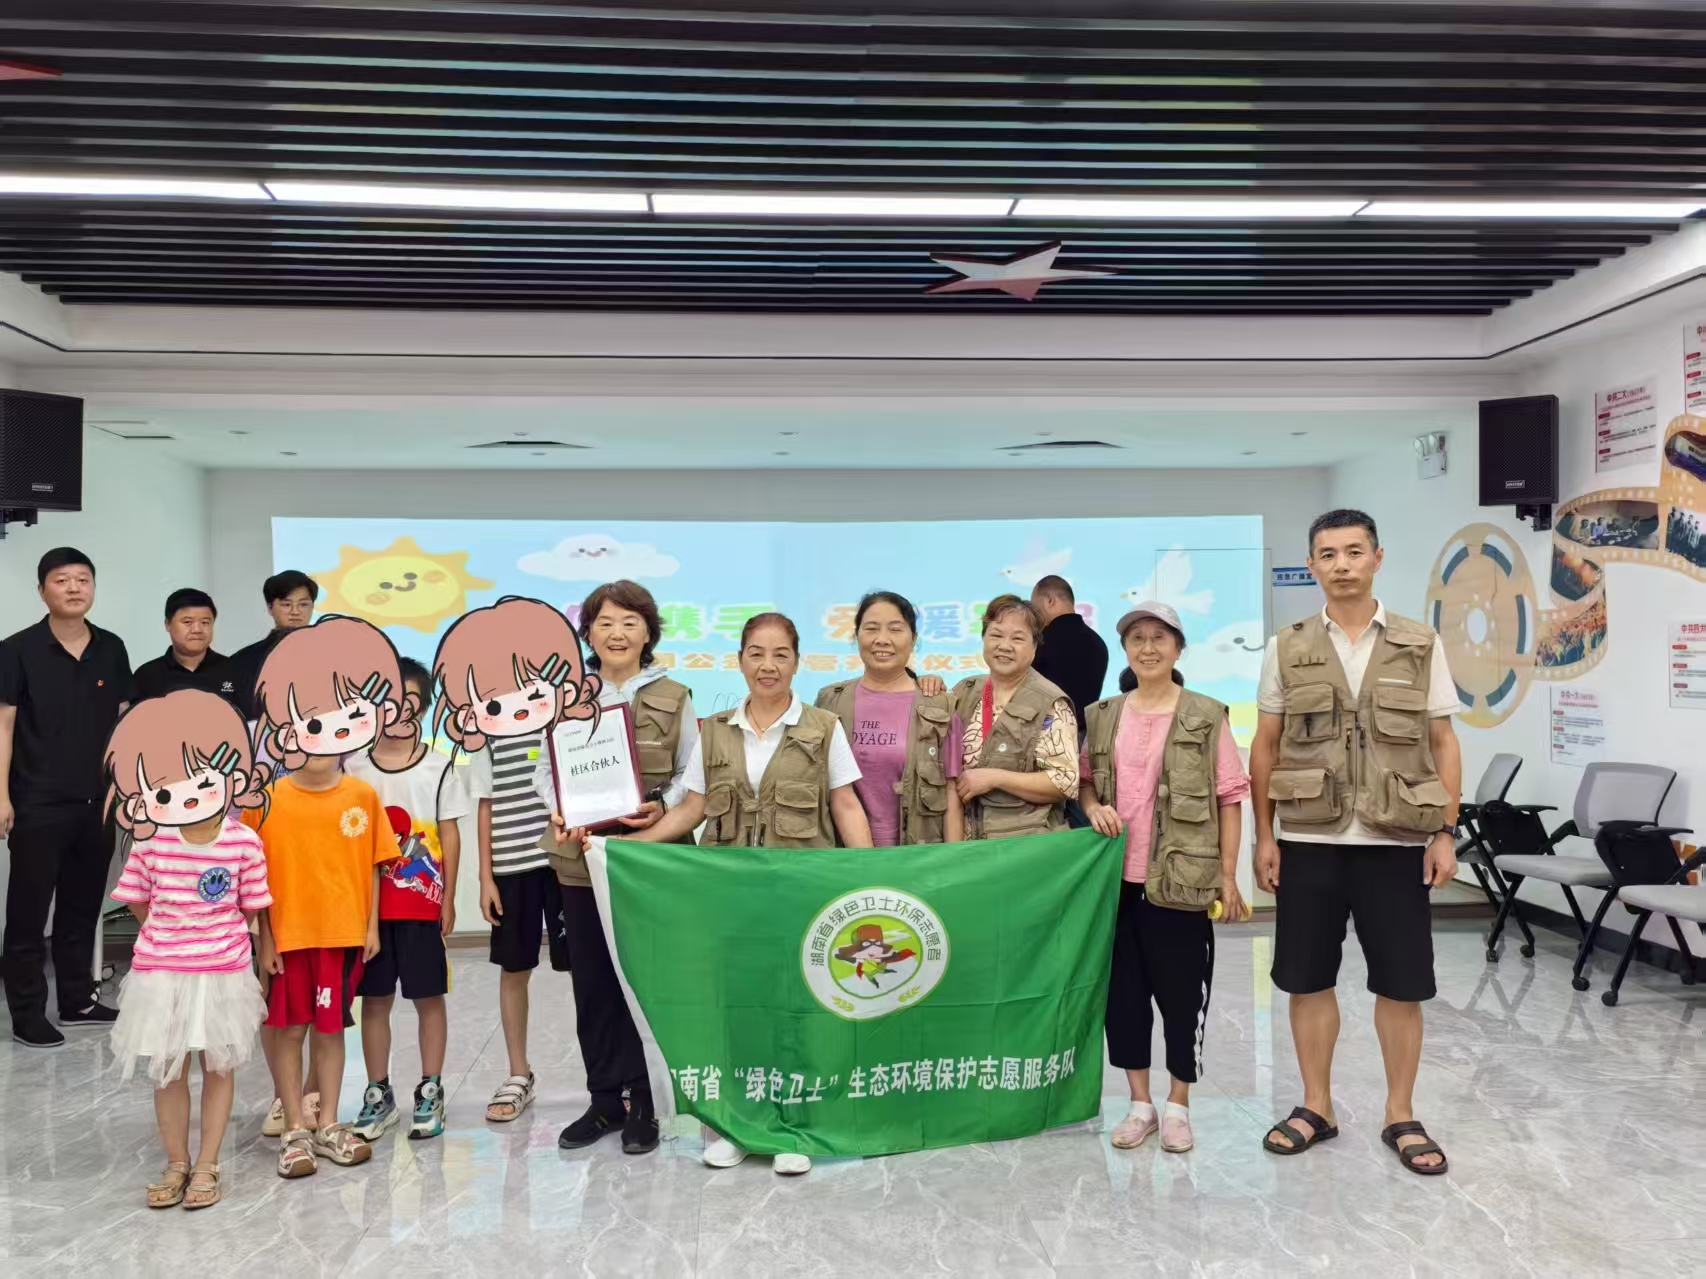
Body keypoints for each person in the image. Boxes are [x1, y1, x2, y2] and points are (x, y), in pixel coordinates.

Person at [1250, 509, 1461, 1177]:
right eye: (1327, 554)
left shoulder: (1420, 642)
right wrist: (1264, 835)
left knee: (1402, 983)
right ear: (1312, 564)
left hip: (1396, 841)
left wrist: (1445, 831)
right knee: (1306, 978)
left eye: (1353, 551)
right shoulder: (1285, 646)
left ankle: (1401, 1112)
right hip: (1308, 838)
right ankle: (1317, 1105)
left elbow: (1443, 741)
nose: (1341, 564)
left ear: (1376, 557)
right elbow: (1266, 745)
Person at [628, 611, 872, 1176]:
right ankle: (738, 1125)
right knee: (737, 1010)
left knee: (800, 1011)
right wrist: (627, 847)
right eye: (757, 654)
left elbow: (845, 804)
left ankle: (796, 1126)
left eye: (781, 654)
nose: (768, 665)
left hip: (802, 895)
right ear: (739, 660)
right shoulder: (715, 729)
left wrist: (867, 875)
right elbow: (691, 808)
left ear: (797, 662)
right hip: (730, 898)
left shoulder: (823, 727)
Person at [1078, 602, 1250, 1156]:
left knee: (1181, 999)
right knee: (1123, 1000)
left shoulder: (1206, 714)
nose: (1147, 648)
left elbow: (1230, 797)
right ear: (1125, 649)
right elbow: (1083, 781)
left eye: (1159, 638)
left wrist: (1228, 876)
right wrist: (1092, 805)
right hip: (1114, 883)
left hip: (1181, 881)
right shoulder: (1102, 714)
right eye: (1137, 639)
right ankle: (1140, 1105)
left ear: (1178, 647)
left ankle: (1178, 1106)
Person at [536, 580, 697, 1156]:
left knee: (643, 979)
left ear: (649, 631)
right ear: (589, 632)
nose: (617, 633)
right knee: (593, 983)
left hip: (648, 860)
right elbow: (545, 771)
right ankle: (604, 1099)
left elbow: (691, 773)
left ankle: (646, 1103)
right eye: (604, 622)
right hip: (580, 860)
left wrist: (663, 804)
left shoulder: (675, 695)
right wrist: (561, 808)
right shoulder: (566, 698)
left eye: (630, 622)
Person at [246, 616, 407, 1178]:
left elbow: (375, 868)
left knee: (333, 1030)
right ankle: (294, 1125)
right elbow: (253, 881)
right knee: (289, 1030)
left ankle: (328, 1122)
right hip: (288, 939)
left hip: (341, 936)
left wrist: (370, 927)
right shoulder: (266, 801)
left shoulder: (362, 794)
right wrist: (265, 939)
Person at [433, 596, 600, 1127]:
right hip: (511, 867)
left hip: (567, 864)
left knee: (585, 970)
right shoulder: (486, 736)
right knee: (514, 969)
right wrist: (485, 877)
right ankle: (518, 1072)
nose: (519, 701)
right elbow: (485, 805)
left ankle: (602, 1077)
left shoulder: (565, 726)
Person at [104, 690, 272, 1210]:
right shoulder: (152, 841)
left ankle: (208, 1163)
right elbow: (137, 899)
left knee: (219, 1068)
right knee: (168, 1069)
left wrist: (217, 937)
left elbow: (251, 907)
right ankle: (176, 1161)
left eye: (201, 777)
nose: (189, 792)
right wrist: (168, 932)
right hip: (162, 975)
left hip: (222, 973)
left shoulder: (243, 841)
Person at [0, 547, 134, 1048]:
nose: (74, 588)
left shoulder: (111, 648)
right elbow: (3, 725)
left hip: (98, 802)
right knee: (29, 913)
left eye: (83, 579)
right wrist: (1, 796)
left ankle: (77, 999)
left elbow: (123, 723)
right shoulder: (16, 650)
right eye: (62, 580)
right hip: (36, 801)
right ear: (42, 591)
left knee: (81, 907)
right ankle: (27, 1013)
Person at [346, 656, 471, 1144]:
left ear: (423, 708)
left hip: (422, 904)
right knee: (374, 1001)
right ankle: (378, 1092)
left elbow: (449, 834)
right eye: (389, 703)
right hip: (368, 911)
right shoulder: (353, 767)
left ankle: (430, 1089)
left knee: (427, 998)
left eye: (410, 703)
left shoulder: (439, 767)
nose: (399, 713)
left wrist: (449, 898)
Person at [813, 590, 965, 845]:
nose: (882, 640)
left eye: (895, 629)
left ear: (913, 639)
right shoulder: (829, 702)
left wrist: (952, 860)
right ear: (856, 635)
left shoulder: (940, 706)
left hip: (917, 854)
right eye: (871, 628)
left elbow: (952, 794)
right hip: (843, 855)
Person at [949, 595, 1079, 839]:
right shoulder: (964, 691)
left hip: (1024, 846)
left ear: (1035, 646)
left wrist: (996, 778)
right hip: (966, 844)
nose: (1004, 646)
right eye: (996, 635)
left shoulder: (1051, 703)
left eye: (1017, 638)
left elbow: (1065, 782)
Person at [226, 569, 318, 720]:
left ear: (312, 606)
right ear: (270, 608)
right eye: (286, 604)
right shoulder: (243, 661)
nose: (295, 612)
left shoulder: (331, 655)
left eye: (303, 604)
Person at [1029, 574, 1110, 727]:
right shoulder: (1098, 643)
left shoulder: (1040, 642)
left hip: (1043, 734)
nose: (1034, 615)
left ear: (1050, 601)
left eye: (1035, 607)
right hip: (1084, 735)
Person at [133, 588, 239, 703]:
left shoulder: (234, 670)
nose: (197, 630)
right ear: (167, 624)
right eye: (188, 622)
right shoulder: (147, 676)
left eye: (205, 622)